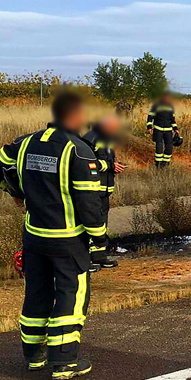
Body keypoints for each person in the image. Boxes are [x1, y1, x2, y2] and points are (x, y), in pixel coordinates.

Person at [0, 91, 106, 380]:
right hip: (67, 240)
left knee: (37, 293)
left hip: (34, 237)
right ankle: (64, 361)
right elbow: (89, 204)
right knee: (71, 294)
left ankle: (33, 356)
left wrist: (15, 193)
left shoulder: (25, 143)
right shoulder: (77, 150)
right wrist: (100, 240)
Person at [82, 114, 126, 271]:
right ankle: (85, 259)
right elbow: (87, 164)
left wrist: (114, 165)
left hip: (105, 191)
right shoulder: (90, 139)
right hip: (92, 190)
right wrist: (109, 165)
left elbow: (107, 163)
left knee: (101, 224)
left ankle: (99, 256)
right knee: (91, 223)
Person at [147, 92, 179, 168]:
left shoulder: (171, 107)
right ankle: (158, 163)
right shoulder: (156, 106)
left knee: (169, 146)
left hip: (168, 130)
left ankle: (165, 163)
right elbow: (150, 117)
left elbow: (172, 119)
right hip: (158, 129)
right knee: (159, 146)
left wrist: (175, 129)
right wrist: (149, 127)